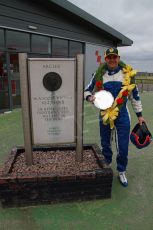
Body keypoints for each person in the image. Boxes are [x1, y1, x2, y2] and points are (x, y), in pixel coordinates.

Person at [84, 47, 145, 187]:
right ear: (105, 59)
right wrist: (90, 97)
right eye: (109, 57)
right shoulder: (99, 74)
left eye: (114, 57)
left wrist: (140, 116)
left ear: (118, 58)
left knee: (123, 147)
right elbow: (87, 90)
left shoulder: (127, 74)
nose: (112, 60)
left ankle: (122, 170)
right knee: (105, 143)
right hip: (104, 115)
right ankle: (107, 166)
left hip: (122, 115)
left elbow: (135, 97)